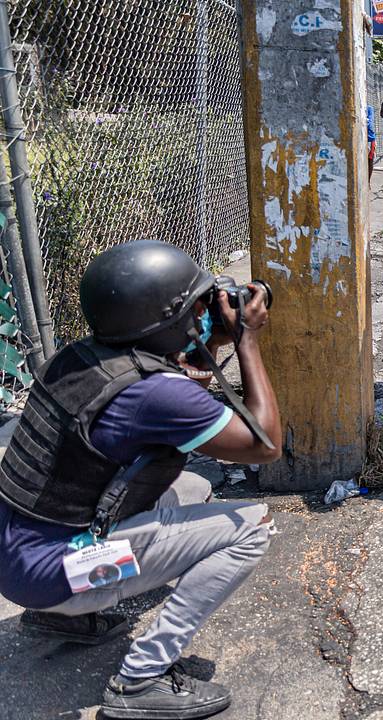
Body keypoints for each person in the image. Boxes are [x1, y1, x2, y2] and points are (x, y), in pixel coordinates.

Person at [0, 240, 282, 718]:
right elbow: (265, 446)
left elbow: (176, 409)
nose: (207, 309)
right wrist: (247, 340)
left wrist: (209, 342)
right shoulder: (154, 394)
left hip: (17, 554)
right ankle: (140, 679)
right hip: (56, 573)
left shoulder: (82, 357)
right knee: (249, 527)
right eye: (198, 305)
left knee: (188, 489)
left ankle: (59, 619)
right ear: (171, 318)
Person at [366, 104, 377, 180]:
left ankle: (368, 181)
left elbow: (370, 123)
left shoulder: (369, 108)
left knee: (370, 159)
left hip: (370, 138)